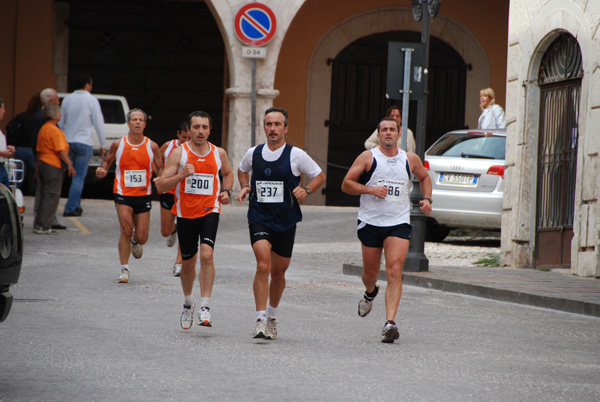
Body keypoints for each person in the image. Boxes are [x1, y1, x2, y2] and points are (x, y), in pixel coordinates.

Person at [236, 107, 326, 340]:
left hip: (286, 220)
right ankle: (260, 319)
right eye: (269, 124)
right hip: (259, 217)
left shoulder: (296, 154)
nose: (273, 128)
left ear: (285, 128)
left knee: (278, 272)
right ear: (264, 127)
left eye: (277, 124)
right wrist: (245, 186)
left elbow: (319, 176)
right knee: (263, 265)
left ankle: (272, 316)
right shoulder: (253, 153)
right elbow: (242, 170)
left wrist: (306, 189)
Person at [341, 116, 432, 343]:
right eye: (384, 130)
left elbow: (424, 177)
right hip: (371, 222)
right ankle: (370, 292)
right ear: (379, 135)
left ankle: (389, 323)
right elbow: (346, 184)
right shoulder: (368, 157)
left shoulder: (409, 159)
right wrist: (371, 190)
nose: (389, 133)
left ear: (399, 134)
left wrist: (427, 198)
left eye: (392, 129)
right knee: (370, 274)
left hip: (398, 222)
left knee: (394, 269)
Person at [155, 111, 233, 330]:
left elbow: (228, 173)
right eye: (196, 127)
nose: (201, 131)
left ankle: (205, 307)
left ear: (210, 130)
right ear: (189, 130)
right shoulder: (179, 154)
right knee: (188, 263)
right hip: (186, 214)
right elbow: (160, 186)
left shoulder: (219, 153)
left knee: (207, 254)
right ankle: (189, 302)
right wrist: (181, 176)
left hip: (210, 210)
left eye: (205, 127)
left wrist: (226, 191)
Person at [96, 109, 163, 283]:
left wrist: (161, 179)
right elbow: (107, 160)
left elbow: (159, 168)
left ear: (145, 124)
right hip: (122, 193)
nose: (138, 122)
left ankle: (135, 241)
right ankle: (124, 269)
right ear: (128, 123)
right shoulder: (118, 144)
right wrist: (102, 169)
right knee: (126, 230)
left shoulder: (152, 146)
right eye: (134, 119)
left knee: (142, 237)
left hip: (143, 195)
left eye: (141, 120)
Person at [60, 73, 106, 217]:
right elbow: (99, 123)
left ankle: (77, 205)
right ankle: (71, 207)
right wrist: (103, 143)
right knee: (79, 177)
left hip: (68, 142)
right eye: (91, 84)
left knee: (69, 176)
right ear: (87, 85)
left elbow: (61, 122)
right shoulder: (92, 100)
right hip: (84, 142)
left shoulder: (67, 100)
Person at [33, 104, 76, 234]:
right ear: (55, 115)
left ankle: (38, 223)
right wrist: (69, 164)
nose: (61, 115)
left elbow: (39, 151)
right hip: (53, 165)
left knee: (42, 194)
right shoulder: (55, 131)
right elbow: (60, 151)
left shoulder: (43, 129)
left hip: (43, 164)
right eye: (59, 113)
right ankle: (46, 225)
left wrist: (37, 167)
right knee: (51, 195)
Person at [158, 122, 191, 277]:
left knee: (185, 230)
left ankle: (179, 262)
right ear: (178, 134)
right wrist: (158, 176)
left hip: (185, 193)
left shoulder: (194, 150)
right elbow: (158, 163)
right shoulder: (167, 146)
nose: (186, 140)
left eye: (188, 138)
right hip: (168, 191)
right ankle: (173, 230)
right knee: (165, 231)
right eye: (183, 137)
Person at [6, 92, 44, 193]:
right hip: (32, 150)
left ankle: (14, 197)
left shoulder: (22, 116)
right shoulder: (40, 118)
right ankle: (39, 198)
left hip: (20, 150)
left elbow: (9, 127)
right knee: (39, 177)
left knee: (17, 179)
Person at [0, 98, 16, 188]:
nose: (4, 111)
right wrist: (3, 152)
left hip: (2, 166)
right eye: (3, 108)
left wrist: (7, 149)